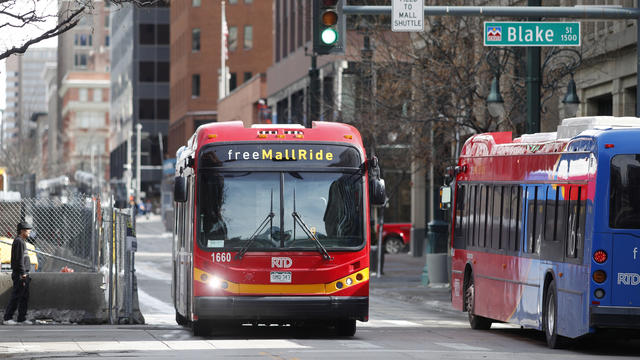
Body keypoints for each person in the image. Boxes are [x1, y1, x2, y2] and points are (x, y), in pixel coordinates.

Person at [3, 222, 33, 325]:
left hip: (23, 273)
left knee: (24, 297)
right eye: (28, 230)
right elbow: (19, 260)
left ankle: (22, 318)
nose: (29, 232)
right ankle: (7, 318)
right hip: (20, 274)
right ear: (22, 231)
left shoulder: (21, 241)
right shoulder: (19, 241)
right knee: (16, 296)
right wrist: (23, 273)